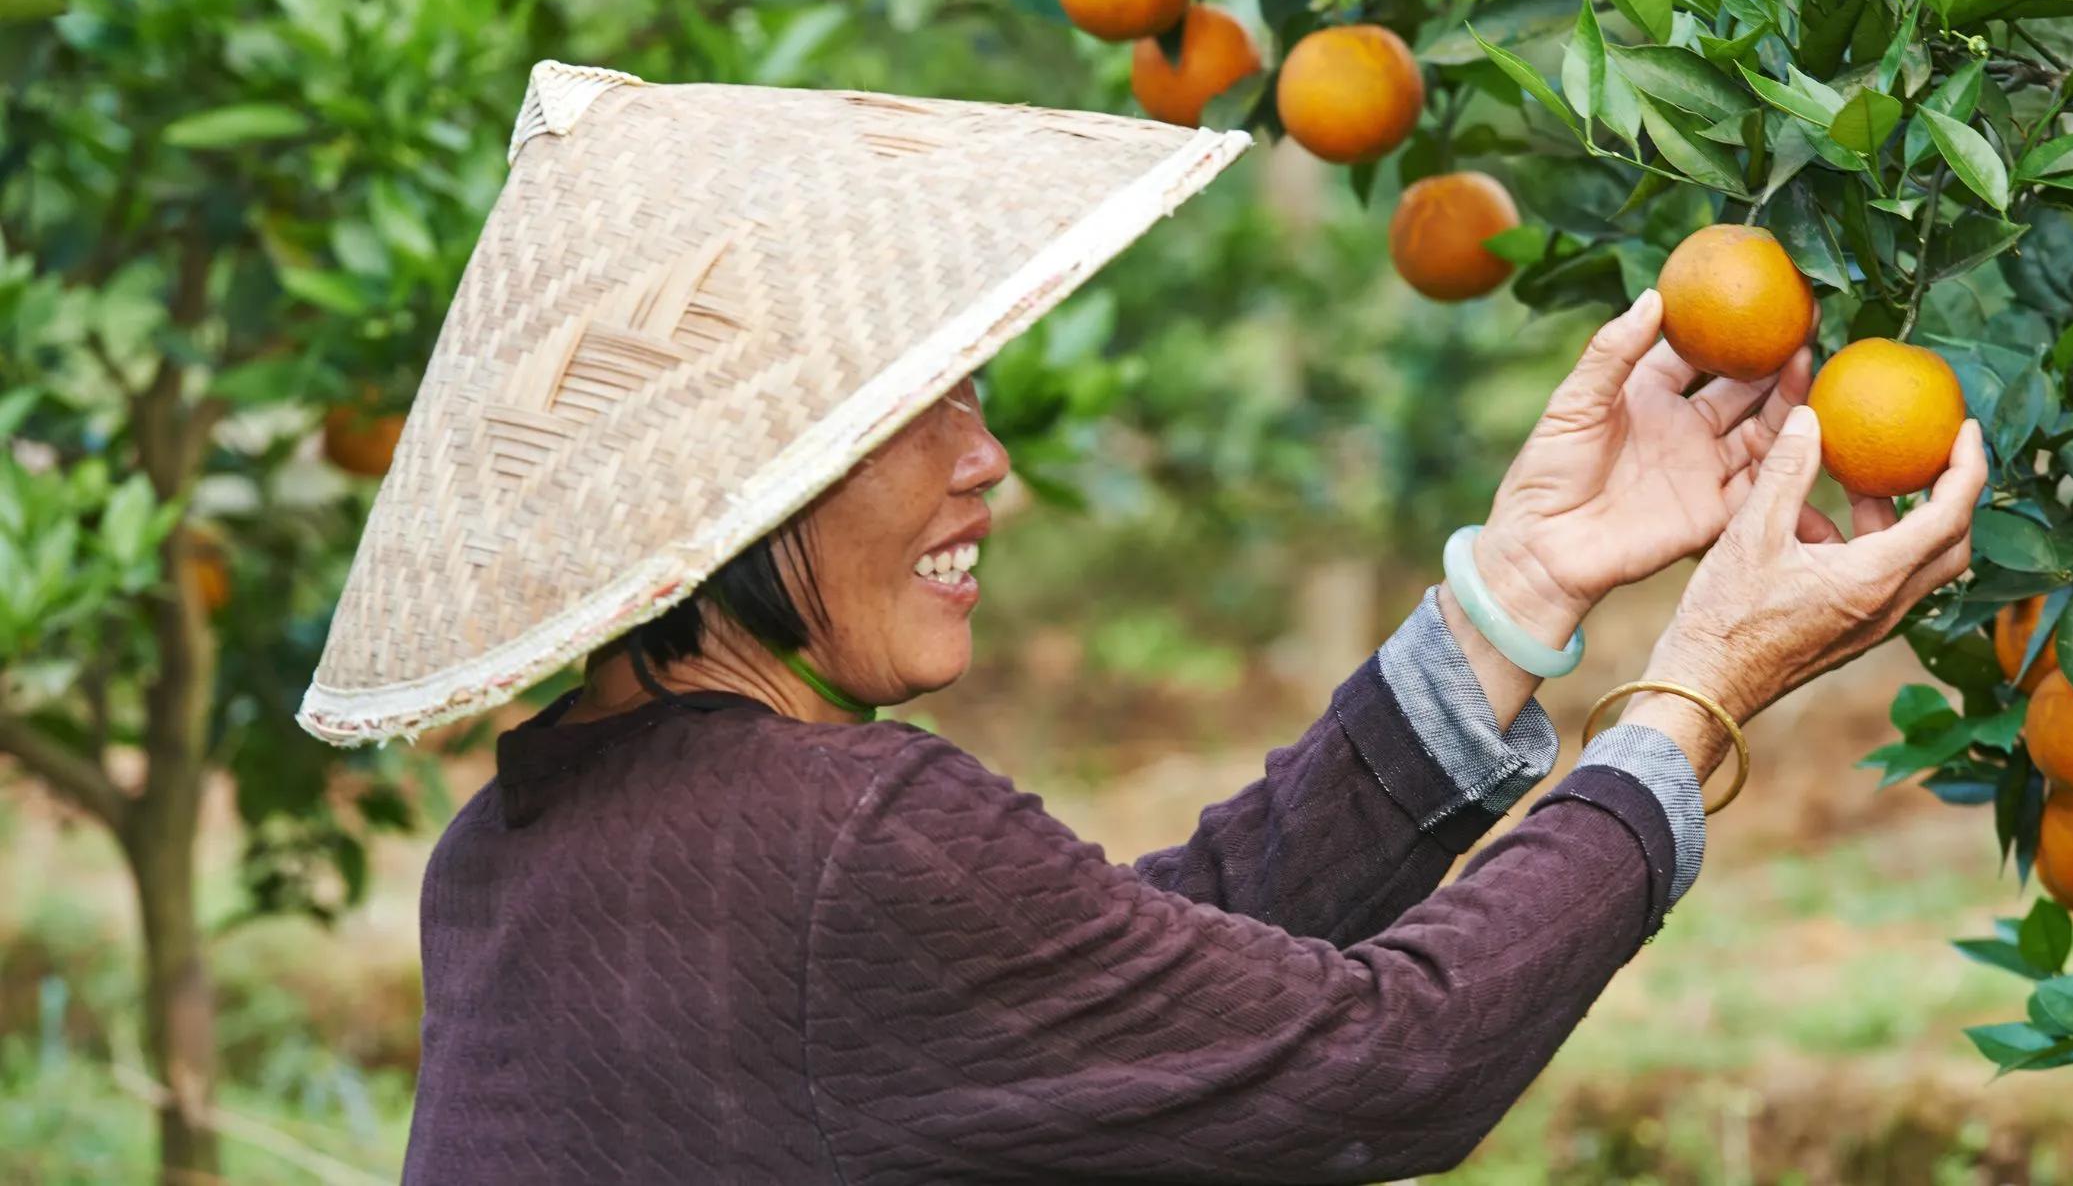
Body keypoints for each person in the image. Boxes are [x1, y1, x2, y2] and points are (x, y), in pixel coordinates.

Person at [301, 67, 1984, 1184]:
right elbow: (1393, 1059)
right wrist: (1694, 696)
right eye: (929, 408)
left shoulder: (520, 848)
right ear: (753, 476)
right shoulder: (842, 841)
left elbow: (1130, 978)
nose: (991, 465)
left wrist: (1527, 587)